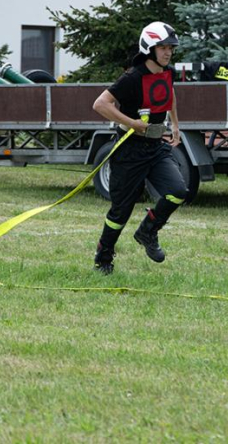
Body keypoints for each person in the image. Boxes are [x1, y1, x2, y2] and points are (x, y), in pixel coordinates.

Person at [91, 21, 188, 274]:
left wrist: (175, 125)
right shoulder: (132, 77)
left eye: (171, 48)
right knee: (120, 212)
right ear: (149, 48)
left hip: (156, 147)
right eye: (163, 47)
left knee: (178, 191)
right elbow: (100, 104)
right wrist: (132, 123)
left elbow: (169, 93)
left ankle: (147, 231)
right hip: (129, 150)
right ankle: (103, 258)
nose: (168, 52)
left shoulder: (168, 72)